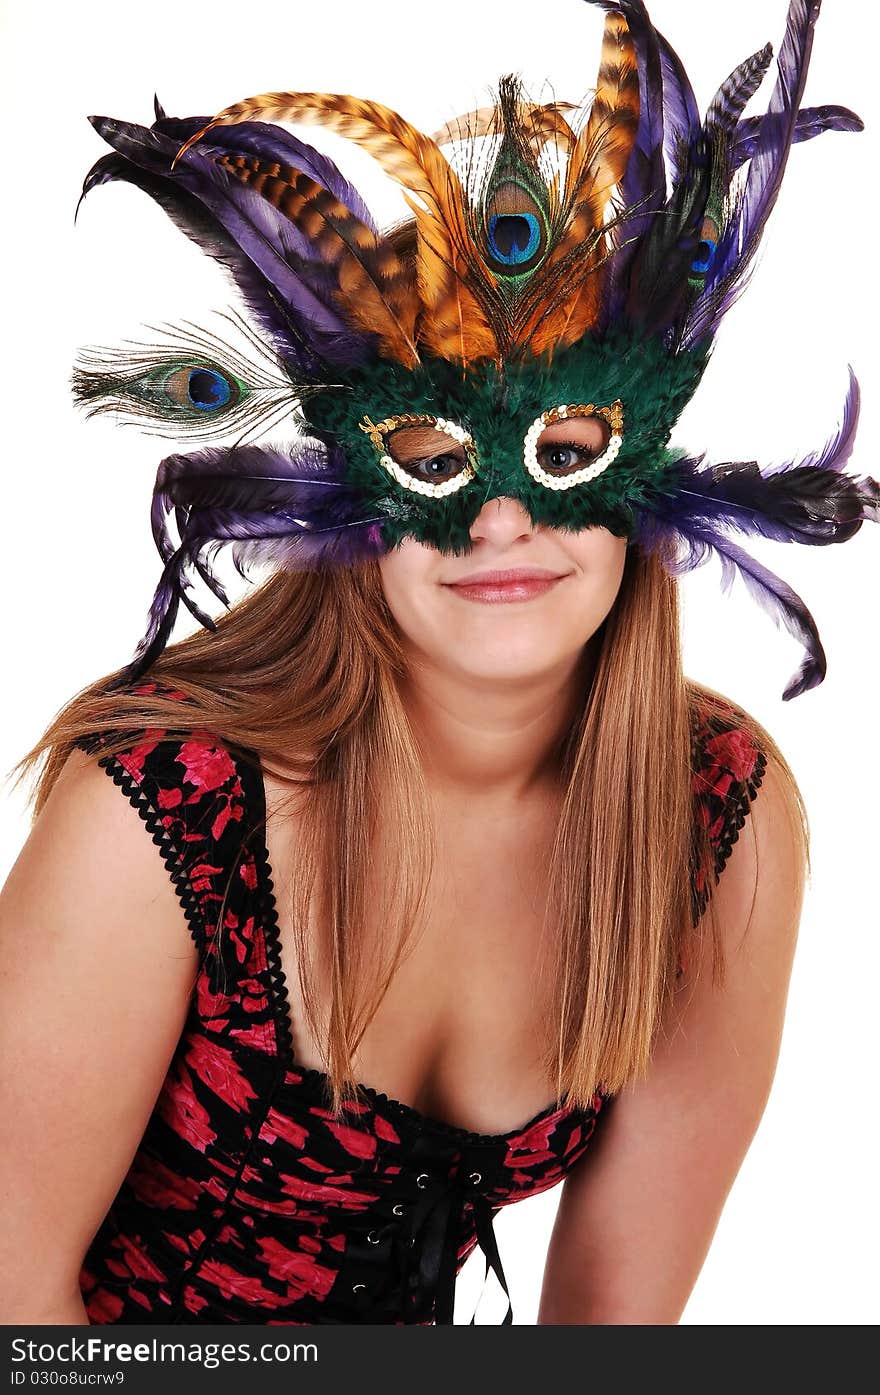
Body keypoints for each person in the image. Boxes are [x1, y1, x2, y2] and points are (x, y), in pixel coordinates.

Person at [0, 0, 875, 1326]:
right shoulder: (165, 804)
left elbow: (616, 1322)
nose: (502, 520)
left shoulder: (712, 813)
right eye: (436, 459)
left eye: (565, 448)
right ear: (352, 503)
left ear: (646, 482)